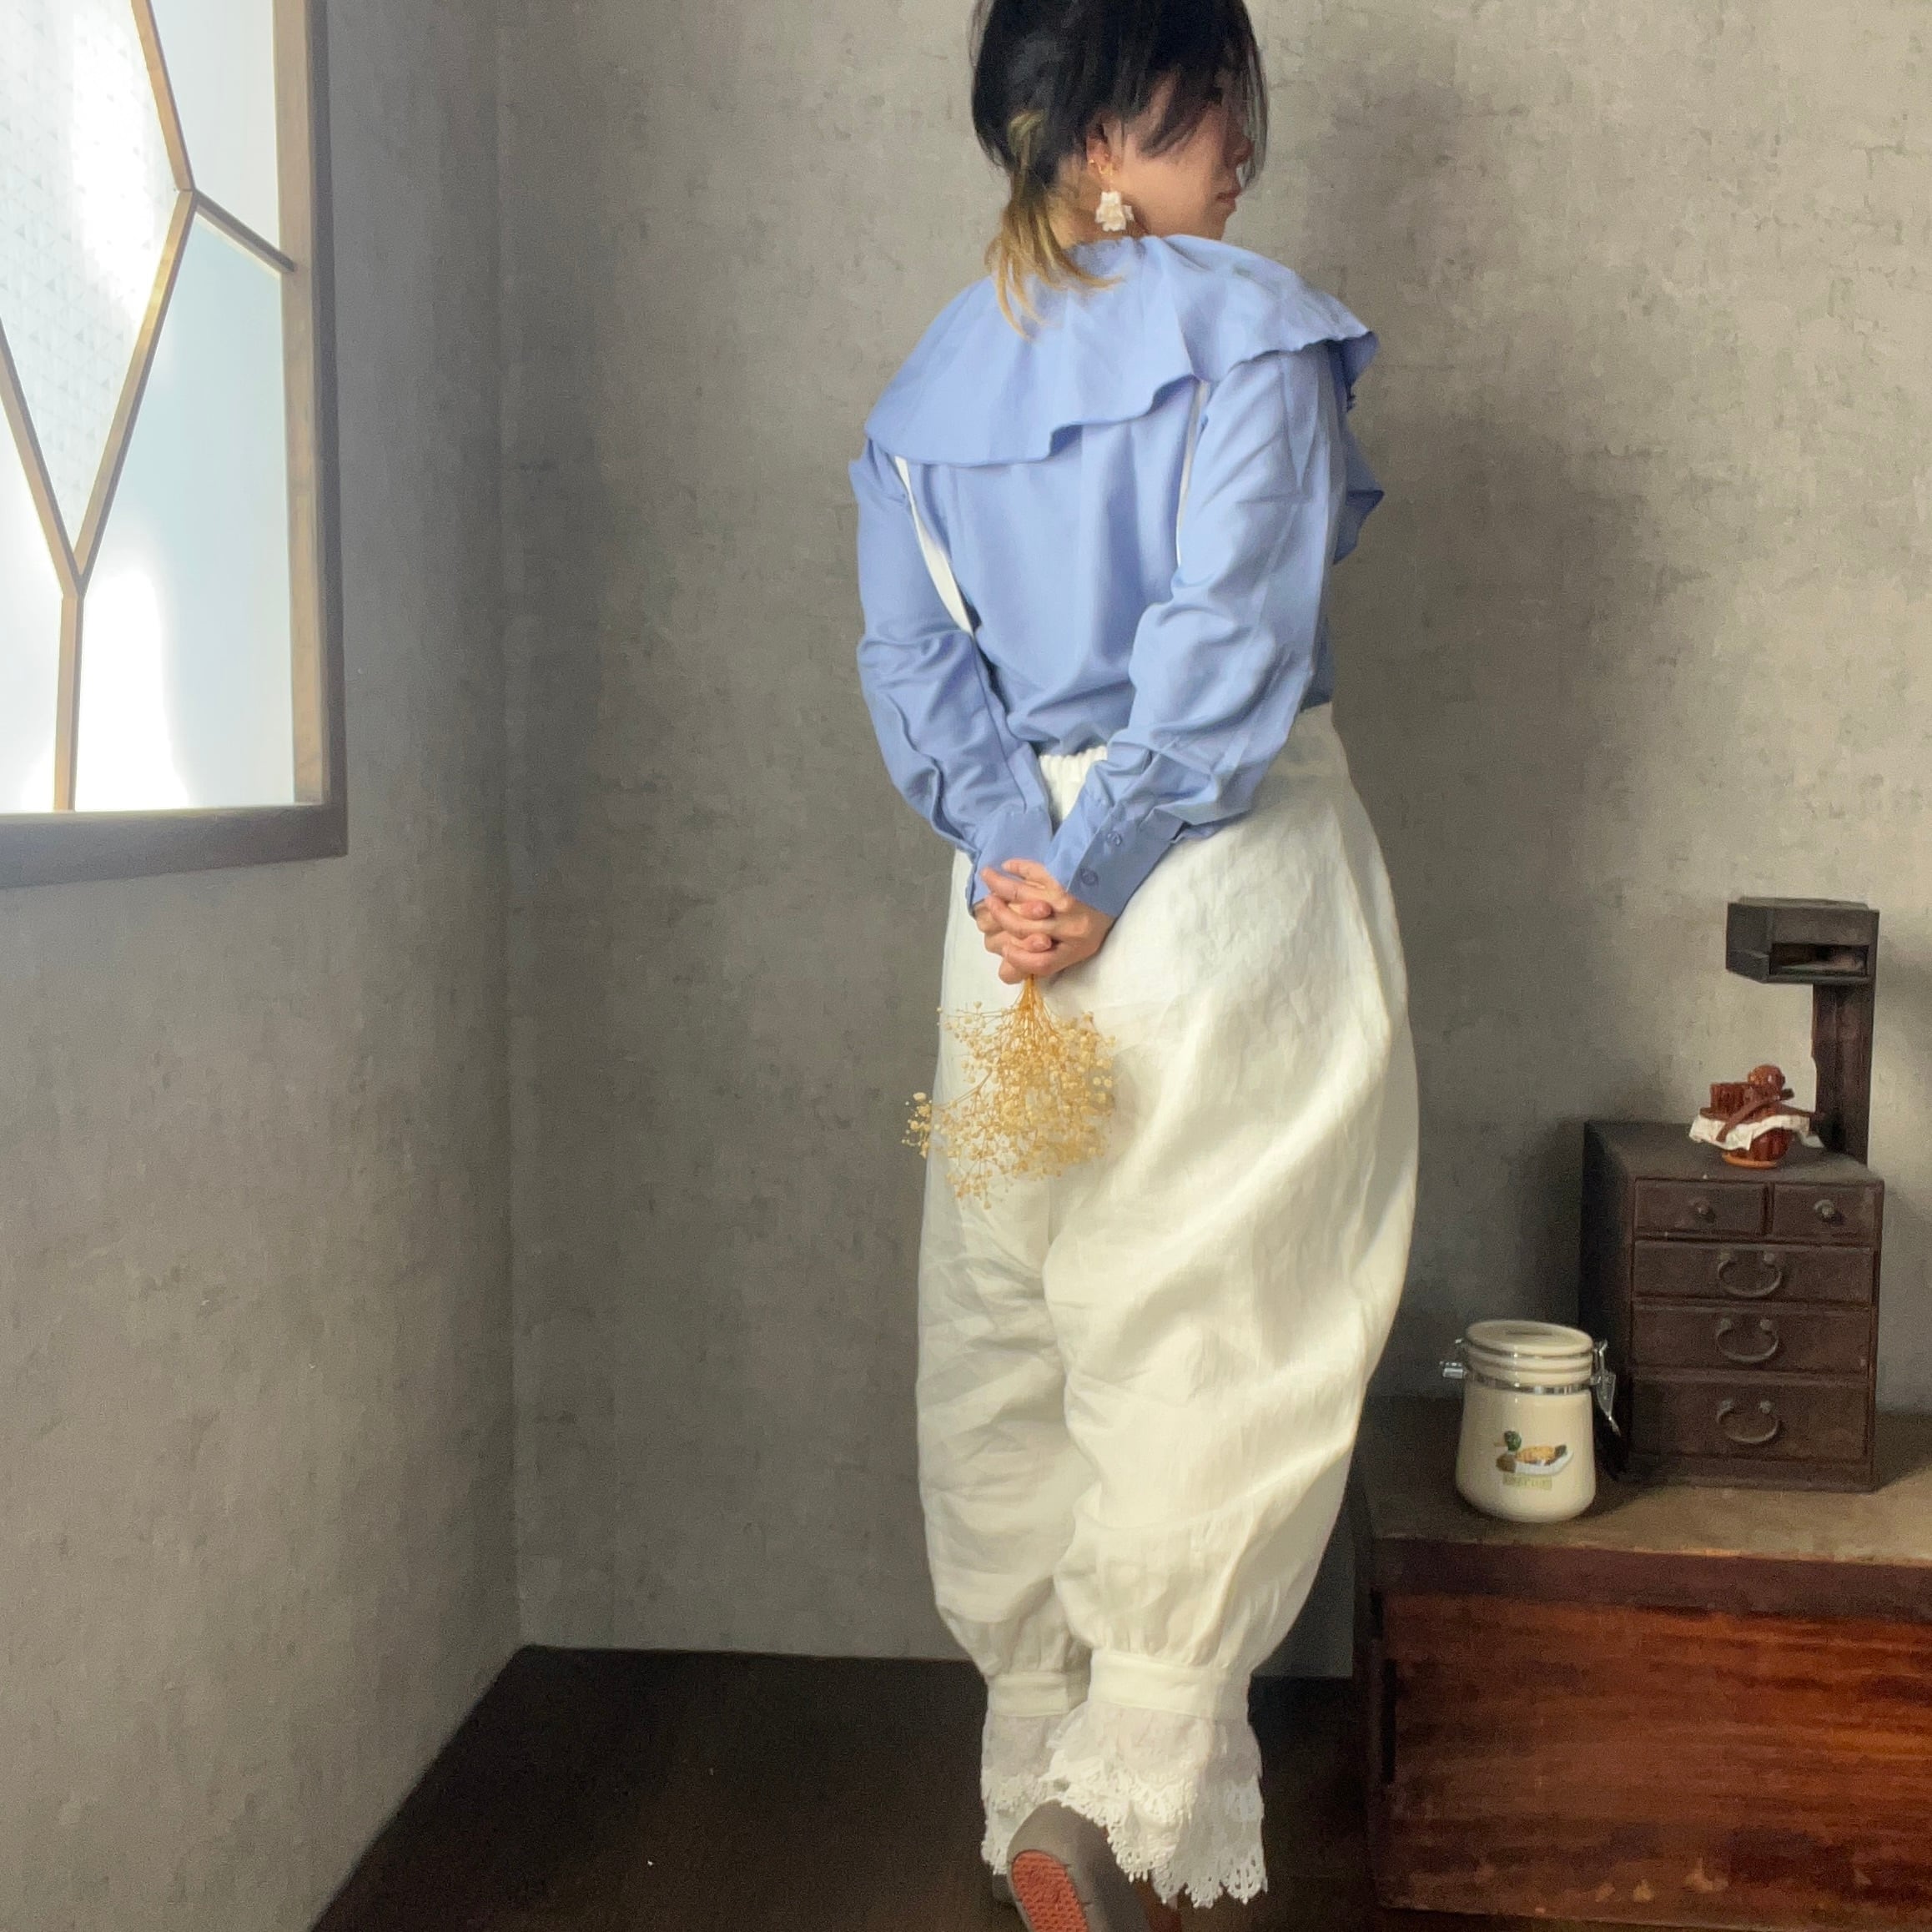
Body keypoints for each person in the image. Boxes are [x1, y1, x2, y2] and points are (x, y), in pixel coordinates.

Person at [849, 3, 1419, 1926]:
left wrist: (1020, 862)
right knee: (1226, 1308)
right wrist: (1101, 870)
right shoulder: (1254, 332)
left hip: (1003, 938)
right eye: (1206, 107)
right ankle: (1124, 1786)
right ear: (1100, 131)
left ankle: (1037, 1750)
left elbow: (916, 669)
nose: (1241, 146)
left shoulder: (924, 391)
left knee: (1015, 1298)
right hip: (1214, 902)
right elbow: (1229, 639)